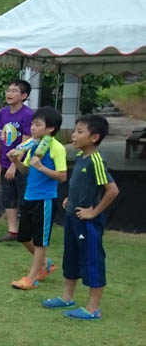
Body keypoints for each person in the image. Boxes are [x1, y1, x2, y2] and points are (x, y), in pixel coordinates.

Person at [42, 115, 119, 319]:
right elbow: (83, 186)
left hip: (88, 222)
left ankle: (93, 308)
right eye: (75, 130)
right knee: (71, 257)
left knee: (92, 260)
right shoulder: (80, 157)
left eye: (79, 131)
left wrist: (93, 212)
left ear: (94, 137)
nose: (74, 135)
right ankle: (67, 297)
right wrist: (71, 200)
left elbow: (112, 190)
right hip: (73, 218)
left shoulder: (96, 160)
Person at [7, 107, 67, 290]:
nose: (32, 128)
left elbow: (62, 176)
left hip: (45, 199)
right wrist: (15, 161)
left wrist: (41, 168)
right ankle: (46, 264)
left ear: (50, 128)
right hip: (29, 196)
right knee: (24, 237)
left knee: (40, 240)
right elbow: (25, 170)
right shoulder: (33, 145)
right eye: (32, 124)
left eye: (37, 124)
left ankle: (31, 278)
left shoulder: (56, 147)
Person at [0, 79, 34, 242]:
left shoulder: (27, 114)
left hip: (21, 164)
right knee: (8, 197)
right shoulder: (2, 113)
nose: (9, 93)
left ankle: (26, 231)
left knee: (24, 197)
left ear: (24, 95)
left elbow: (26, 141)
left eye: (14, 91)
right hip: (4, 162)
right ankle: (12, 231)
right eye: (8, 90)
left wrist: (13, 165)